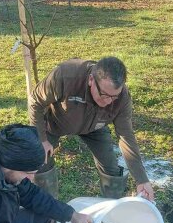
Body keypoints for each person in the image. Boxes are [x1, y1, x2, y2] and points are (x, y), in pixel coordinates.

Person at [29, 57, 155, 201]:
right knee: (40, 159)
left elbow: (126, 136)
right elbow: (35, 101)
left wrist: (142, 179)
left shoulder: (122, 98)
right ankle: (47, 211)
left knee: (111, 168)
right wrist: (41, 139)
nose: (108, 101)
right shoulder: (67, 75)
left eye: (113, 97)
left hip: (95, 127)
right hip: (55, 122)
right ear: (91, 80)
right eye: (104, 95)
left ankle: (111, 210)